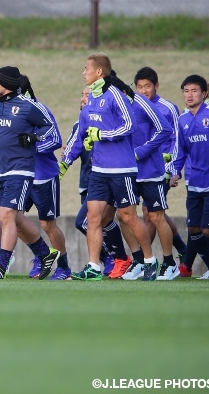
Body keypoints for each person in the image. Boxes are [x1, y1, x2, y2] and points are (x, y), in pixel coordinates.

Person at [71, 53, 159, 281]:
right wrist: (74, 153)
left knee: (128, 217)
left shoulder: (114, 95)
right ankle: (93, 266)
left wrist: (103, 134)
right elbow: (83, 130)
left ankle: (150, 260)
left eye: (86, 69)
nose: (83, 73)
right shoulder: (90, 98)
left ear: (99, 72)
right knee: (92, 218)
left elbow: (129, 125)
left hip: (122, 169)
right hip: (99, 170)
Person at [0, 66, 59, 280]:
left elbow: (50, 128)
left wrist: (34, 138)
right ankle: (46, 253)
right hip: (1, 169)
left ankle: (1, 266)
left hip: (21, 168)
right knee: (14, 218)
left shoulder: (27, 106)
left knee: (6, 215)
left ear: (6, 85)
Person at [107, 74, 176, 281]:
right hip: (126, 171)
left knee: (156, 217)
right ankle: (138, 260)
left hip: (151, 171)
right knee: (123, 215)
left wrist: (141, 151)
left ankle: (169, 263)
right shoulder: (111, 107)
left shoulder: (140, 103)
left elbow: (166, 129)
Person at [61, 87, 131, 279]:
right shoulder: (79, 125)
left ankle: (122, 258)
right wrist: (64, 163)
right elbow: (72, 149)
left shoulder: (110, 120)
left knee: (96, 220)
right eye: (82, 94)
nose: (84, 98)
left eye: (87, 95)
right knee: (96, 221)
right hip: (89, 182)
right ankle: (114, 260)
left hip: (111, 176)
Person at [134, 67, 189, 271]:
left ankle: (146, 261)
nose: (144, 91)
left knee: (151, 213)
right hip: (140, 168)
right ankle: (183, 249)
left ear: (156, 86)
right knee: (156, 213)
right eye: (140, 87)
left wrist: (173, 168)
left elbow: (176, 139)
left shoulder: (167, 108)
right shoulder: (135, 106)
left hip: (161, 168)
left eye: (147, 86)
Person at [18, 74, 72, 280]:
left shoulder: (38, 110)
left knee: (48, 225)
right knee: (13, 218)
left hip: (44, 176)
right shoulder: (11, 112)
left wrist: (32, 147)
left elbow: (56, 140)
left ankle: (64, 268)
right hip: (22, 176)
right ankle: (42, 256)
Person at [172, 74, 209, 279]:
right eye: (186, 91)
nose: (189, 95)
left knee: (208, 230)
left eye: (194, 91)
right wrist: (175, 172)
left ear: (204, 93)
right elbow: (180, 151)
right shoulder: (182, 119)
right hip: (195, 182)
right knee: (193, 229)